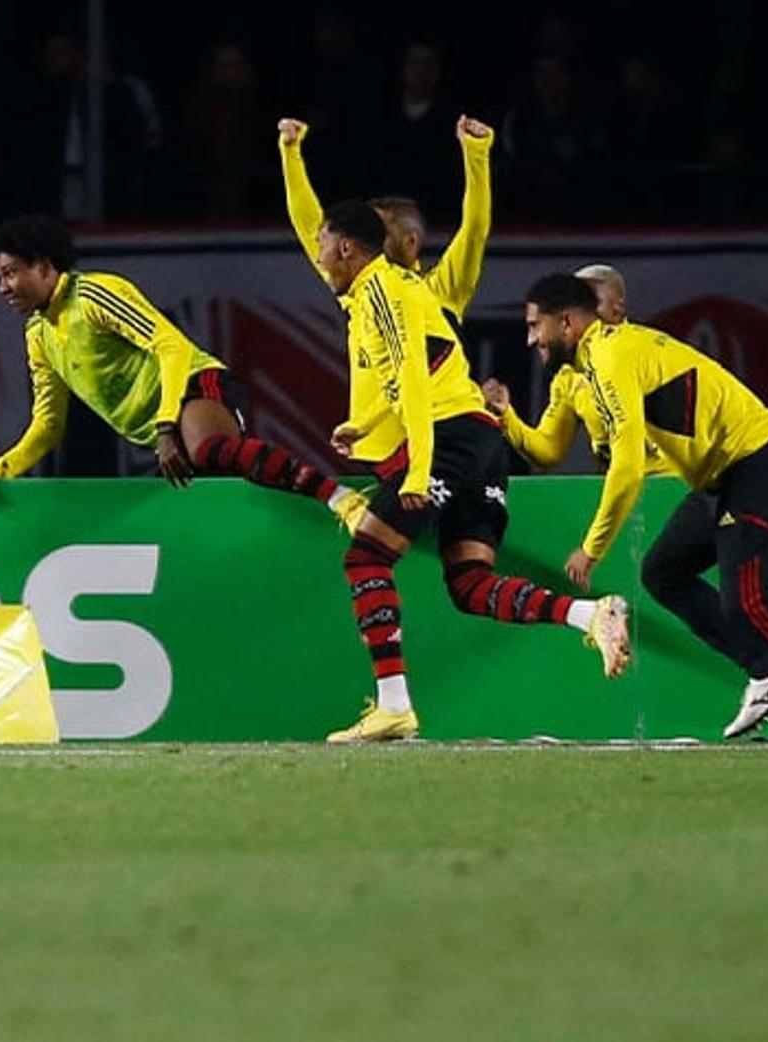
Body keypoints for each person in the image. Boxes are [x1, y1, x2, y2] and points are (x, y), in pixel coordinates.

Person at [312, 203, 629, 743]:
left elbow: (414, 377)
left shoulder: (381, 291)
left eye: (321, 244)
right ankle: (590, 615)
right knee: (470, 584)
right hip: (482, 440)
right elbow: (431, 370)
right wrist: (364, 422)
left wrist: (415, 474)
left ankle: (394, 706)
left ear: (346, 248)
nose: (316, 255)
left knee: (366, 555)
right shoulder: (397, 294)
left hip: (449, 438)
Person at [522, 273, 768, 741]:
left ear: (566, 323)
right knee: (664, 572)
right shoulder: (600, 359)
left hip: (759, 461)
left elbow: (626, 467)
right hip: (721, 479)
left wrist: (592, 547)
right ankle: (764, 669)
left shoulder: (609, 357)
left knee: (749, 600)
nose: (531, 339)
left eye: (535, 326)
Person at [0, 215, 366, 530]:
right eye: (0, 276)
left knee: (207, 450)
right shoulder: (38, 334)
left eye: (12, 273)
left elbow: (172, 346)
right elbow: (49, 425)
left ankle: (340, 498)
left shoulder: (94, 294)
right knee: (222, 501)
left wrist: (165, 427)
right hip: (165, 430)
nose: (3, 287)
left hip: (196, 385)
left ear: (46, 267)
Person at [278, 112, 492, 467]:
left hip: (429, 453)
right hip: (366, 454)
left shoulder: (441, 289)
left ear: (410, 240)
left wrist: (477, 154)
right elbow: (312, 229)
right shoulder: (357, 289)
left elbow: (475, 229)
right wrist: (291, 154)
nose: (364, 233)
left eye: (378, 226)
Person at [484, 263, 670, 475]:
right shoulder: (568, 377)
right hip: (618, 493)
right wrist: (507, 417)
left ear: (617, 308)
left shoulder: (649, 353)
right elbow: (549, 450)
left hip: (672, 487)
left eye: (592, 304)